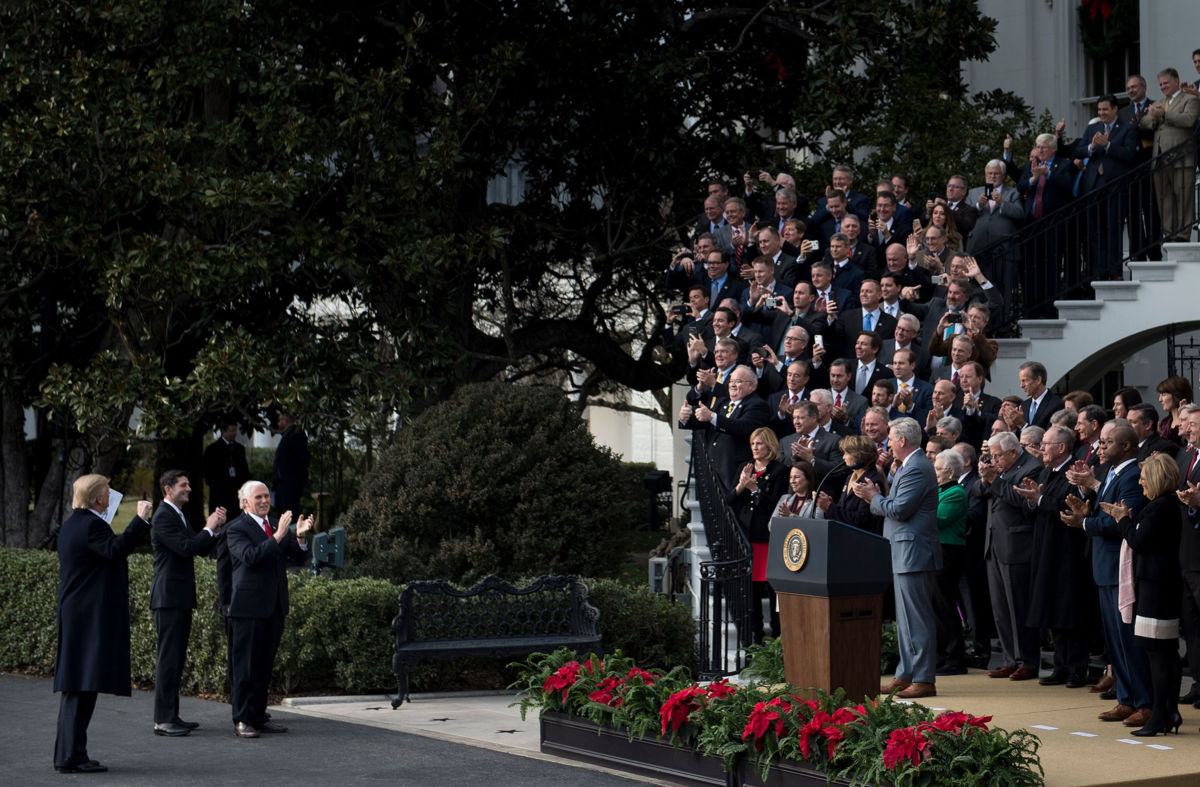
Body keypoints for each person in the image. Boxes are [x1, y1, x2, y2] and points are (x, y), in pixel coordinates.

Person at [53, 476, 152, 773]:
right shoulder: (92, 525)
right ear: (98, 499)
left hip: (76, 613)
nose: (111, 496)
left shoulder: (72, 524)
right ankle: (70, 756)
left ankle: (72, 753)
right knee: (80, 685)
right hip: (86, 616)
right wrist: (140, 520)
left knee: (79, 685)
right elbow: (115, 549)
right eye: (108, 492)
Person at [1063, 420, 1152, 725]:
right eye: (1100, 442)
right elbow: (1107, 511)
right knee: (1115, 640)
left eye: (1107, 442)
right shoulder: (1112, 473)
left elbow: (1122, 521)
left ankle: (1144, 702)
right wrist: (1087, 513)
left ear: (1127, 446)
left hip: (1121, 569)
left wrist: (1084, 524)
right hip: (1104, 567)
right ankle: (1125, 699)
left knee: (1128, 639)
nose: (1100, 447)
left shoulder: (1131, 475)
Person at [857, 417, 941, 699]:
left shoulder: (917, 467)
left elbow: (900, 509)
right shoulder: (908, 466)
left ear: (903, 441)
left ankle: (923, 678)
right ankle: (906, 675)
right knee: (904, 620)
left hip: (913, 551)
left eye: (891, 439)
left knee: (917, 619)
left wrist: (872, 498)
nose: (889, 443)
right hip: (904, 551)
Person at [1103, 453, 1183, 736]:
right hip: (1157, 586)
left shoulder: (1162, 507)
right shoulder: (1161, 505)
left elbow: (1138, 540)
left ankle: (1160, 714)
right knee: (1162, 654)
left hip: (1157, 589)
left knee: (1159, 655)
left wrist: (1123, 519)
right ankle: (1169, 711)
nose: (1140, 482)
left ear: (1157, 479)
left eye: (1143, 478)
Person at [226, 480, 313, 738]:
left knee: (264, 665)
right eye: (258, 497)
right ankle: (242, 718)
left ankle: (259, 715)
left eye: (266, 496)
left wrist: (299, 534)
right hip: (248, 607)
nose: (265, 501)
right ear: (245, 503)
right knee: (245, 666)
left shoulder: (276, 523)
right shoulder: (236, 528)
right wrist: (278, 535)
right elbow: (251, 556)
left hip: (274, 606)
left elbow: (297, 558)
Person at [150, 471, 226, 737]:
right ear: (168, 489)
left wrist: (213, 531)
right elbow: (185, 547)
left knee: (176, 658)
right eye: (184, 485)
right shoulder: (162, 517)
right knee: (168, 659)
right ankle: (162, 719)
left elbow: (198, 547)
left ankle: (172, 715)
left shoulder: (177, 515)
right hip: (168, 598)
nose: (189, 489)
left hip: (179, 598)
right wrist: (208, 527)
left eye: (189, 484)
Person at [1015, 426, 1091, 688]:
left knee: (1070, 611)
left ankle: (1077, 668)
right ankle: (1060, 666)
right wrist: (1033, 501)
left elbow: (1069, 506)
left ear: (1061, 448)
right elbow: (1036, 511)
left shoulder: (1075, 474)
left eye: (1046, 443)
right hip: (1046, 550)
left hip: (1069, 553)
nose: (1041, 447)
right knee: (1052, 610)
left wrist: (1041, 497)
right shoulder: (1046, 472)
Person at [977, 429, 1042, 682]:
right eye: (991, 456)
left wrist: (994, 480)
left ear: (1014, 452)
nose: (993, 461)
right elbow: (976, 492)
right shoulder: (998, 470)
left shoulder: (1031, 468)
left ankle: (1028, 660)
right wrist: (986, 479)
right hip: (993, 544)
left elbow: (1022, 502)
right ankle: (1009, 658)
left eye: (997, 456)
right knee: (1000, 608)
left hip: (1017, 546)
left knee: (1019, 606)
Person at [732, 427, 790, 644]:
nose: (755, 448)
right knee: (751, 591)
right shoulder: (744, 468)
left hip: (767, 536)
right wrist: (741, 485)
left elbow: (775, 503)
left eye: (759, 444)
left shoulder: (780, 470)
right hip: (747, 538)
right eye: (752, 444)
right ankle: (755, 637)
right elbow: (730, 499)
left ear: (769, 445)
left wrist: (755, 488)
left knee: (773, 590)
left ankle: (777, 635)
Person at [1140, 68, 1200, 241]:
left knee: (1183, 197)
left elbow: (1189, 120)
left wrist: (1164, 115)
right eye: (1160, 84)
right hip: (1159, 159)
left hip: (1182, 158)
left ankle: (1182, 234)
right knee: (1164, 198)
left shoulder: (1190, 99)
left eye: (1166, 83)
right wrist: (1153, 116)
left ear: (1176, 81)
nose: (1163, 87)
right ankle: (1169, 232)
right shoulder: (1159, 102)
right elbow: (1144, 122)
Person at [929, 449, 969, 675]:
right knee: (936, 606)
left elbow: (938, 518)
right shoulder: (940, 490)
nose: (934, 472)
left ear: (950, 471)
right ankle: (941, 655)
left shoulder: (956, 492)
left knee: (945, 606)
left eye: (937, 468)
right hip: (936, 550)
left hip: (948, 551)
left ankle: (954, 658)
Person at [816, 435, 886, 536]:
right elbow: (843, 510)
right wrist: (830, 506)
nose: (843, 457)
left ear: (859, 456)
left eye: (846, 453)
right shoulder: (850, 477)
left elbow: (862, 521)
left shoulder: (871, 481)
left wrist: (830, 507)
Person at [203, 420, 251, 515]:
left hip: (236, 494)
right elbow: (207, 472)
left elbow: (244, 470)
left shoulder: (239, 448)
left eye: (235, 430)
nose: (235, 433)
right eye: (232, 430)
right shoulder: (212, 449)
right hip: (220, 494)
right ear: (223, 431)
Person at [273, 412, 310, 516]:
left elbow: (302, 458)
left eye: (280, 420)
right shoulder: (286, 435)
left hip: (290, 484)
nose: (278, 423)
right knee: (282, 513)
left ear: (285, 421)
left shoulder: (296, 435)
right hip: (282, 484)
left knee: (290, 514)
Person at [1156, 375, 1192, 446]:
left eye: (1164, 394)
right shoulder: (1165, 423)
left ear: (1176, 395)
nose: (1160, 399)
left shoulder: (1192, 421)